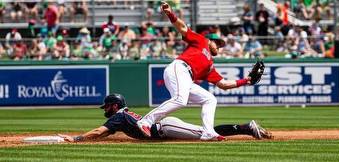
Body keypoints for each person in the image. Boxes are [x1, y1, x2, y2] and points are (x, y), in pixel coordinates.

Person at [136, 1, 256, 141]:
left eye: (220, 45)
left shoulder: (210, 65)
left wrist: (245, 81)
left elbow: (224, 84)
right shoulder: (201, 40)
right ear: (209, 40)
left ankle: (208, 132)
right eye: (217, 43)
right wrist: (170, 13)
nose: (219, 46)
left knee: (210, 99)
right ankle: (146, 121)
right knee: (180, 100)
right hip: (179, 67)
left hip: (187, 77)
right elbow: (182, 28)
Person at [58, 94, 272, 142]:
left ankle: (247, 128)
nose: (105, 109)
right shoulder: (123, 117)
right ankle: (247, 128)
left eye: (107, 106)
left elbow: (99, 132)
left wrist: (76, 139)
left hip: (165, 128)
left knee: (208, 135)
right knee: (209, 131)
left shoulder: (118, 117)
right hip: (164, 127)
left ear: (114, 106)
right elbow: (104, 134)